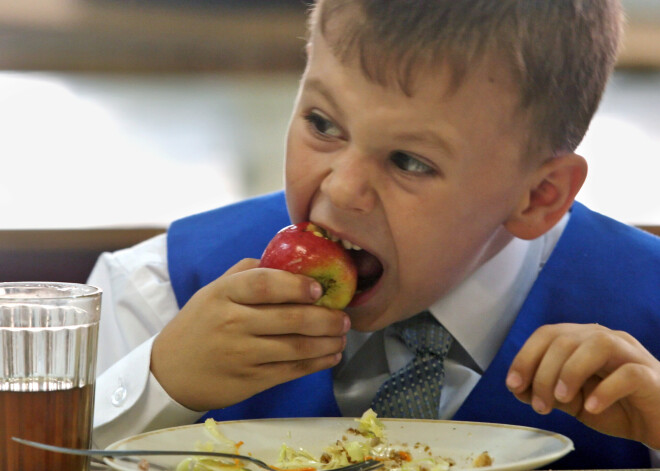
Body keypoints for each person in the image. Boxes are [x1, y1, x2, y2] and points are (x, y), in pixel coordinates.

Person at [90, 0, 660, 468]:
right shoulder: (157, 290)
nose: (341, 190)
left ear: (539, 197)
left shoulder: (647, 313)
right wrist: (160, 386)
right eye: (322, 124)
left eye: (409, 161)